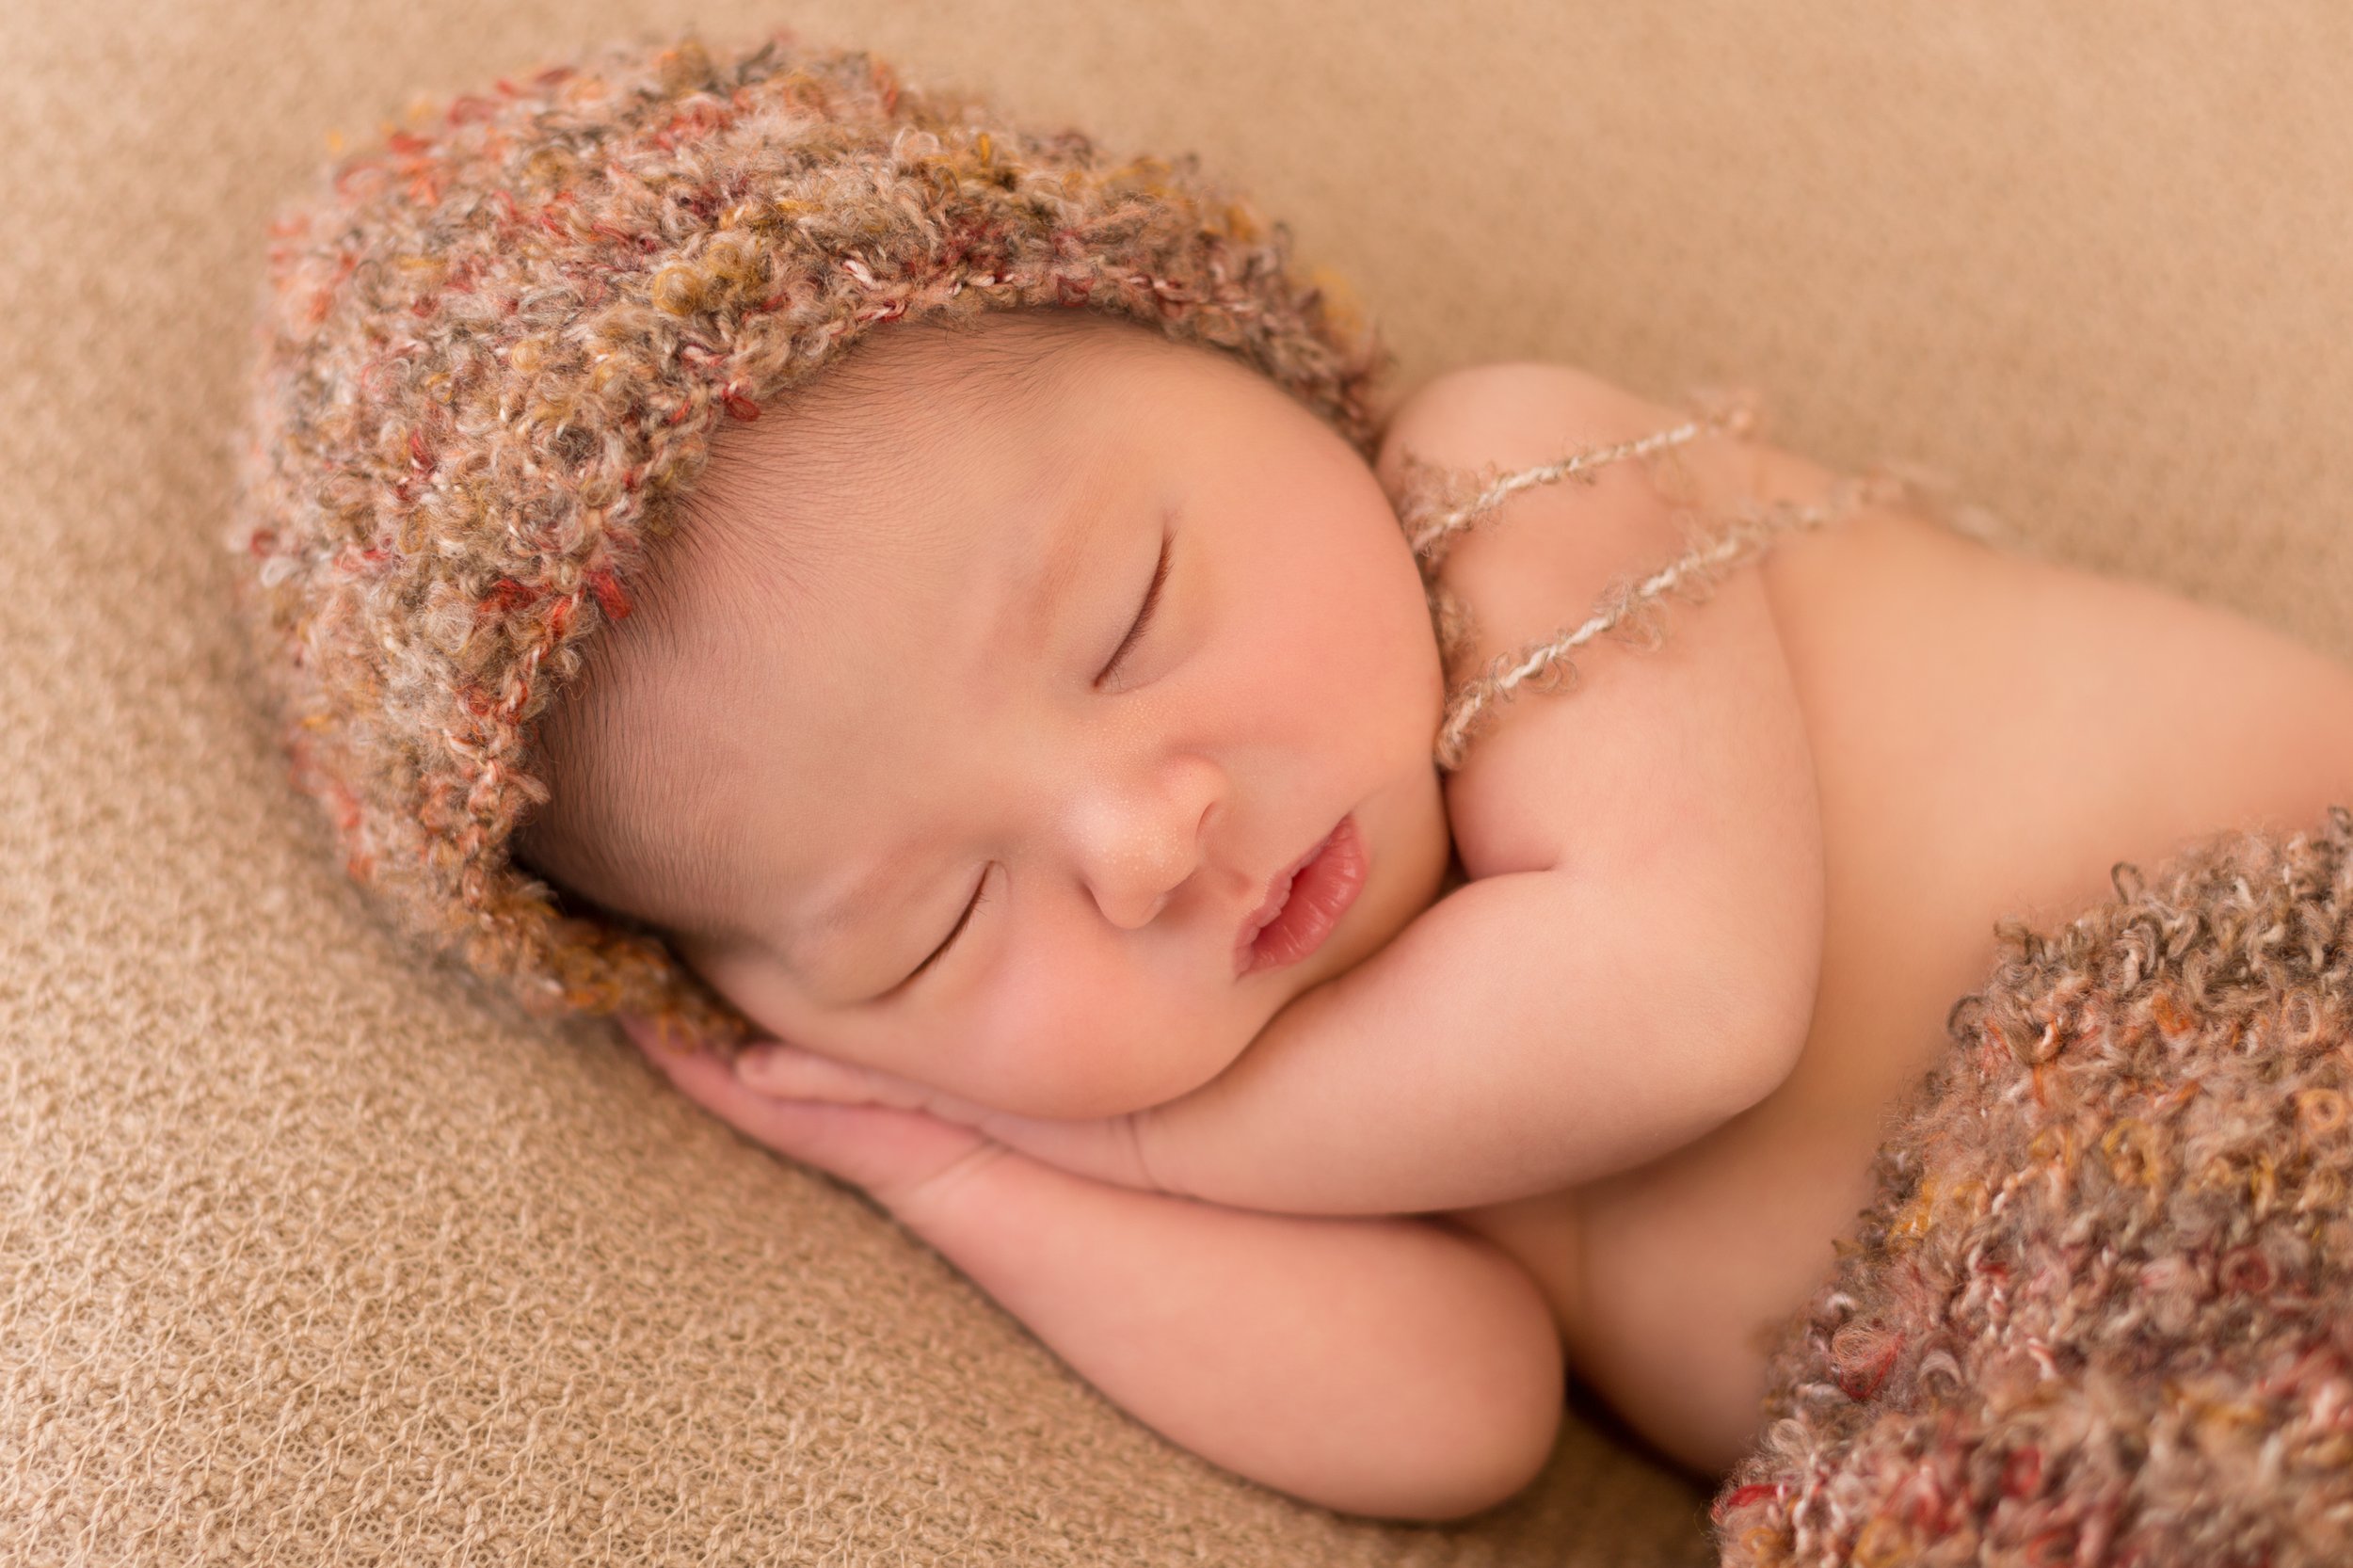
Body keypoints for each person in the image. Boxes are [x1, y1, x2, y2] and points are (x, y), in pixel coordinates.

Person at [225, 26, 2353, 1524]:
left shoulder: (1505, 483)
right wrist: (968, 1172)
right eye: (933, 924)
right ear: (774, 1019)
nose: (1143, 838)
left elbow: (1684, 999)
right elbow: (1453, 1415)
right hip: (2080, 1390)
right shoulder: (1292, 1120)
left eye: (1130, 612)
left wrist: (1138, 1134)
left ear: (1225, 342)